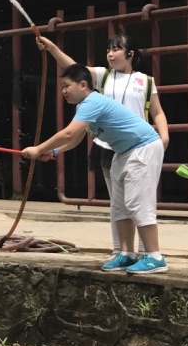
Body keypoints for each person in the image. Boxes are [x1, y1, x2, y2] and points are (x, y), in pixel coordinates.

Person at [36, 34, 169, 268]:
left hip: (140, 144)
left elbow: (157, 111)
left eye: (116, 49)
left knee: (139, 202)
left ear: (130, 54)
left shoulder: (144, 81)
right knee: (120, 204)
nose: (110, 54)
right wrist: (53, 48)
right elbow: (74, 69)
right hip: (112, 146)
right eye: (108, 49)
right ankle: (123, 252)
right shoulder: (103, 77)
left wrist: (164, 135)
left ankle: (152, 255)